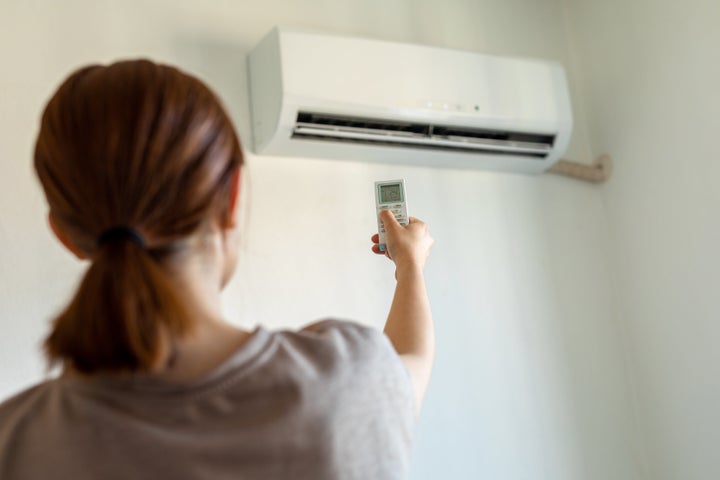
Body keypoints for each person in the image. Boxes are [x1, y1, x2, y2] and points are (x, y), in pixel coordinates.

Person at [0, 59, 434, 479]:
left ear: (66, 236)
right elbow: (410, 362)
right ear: (230, 201)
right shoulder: (347, 386)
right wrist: (409, 264)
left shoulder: (12, 441)